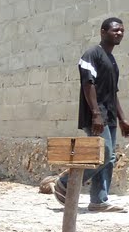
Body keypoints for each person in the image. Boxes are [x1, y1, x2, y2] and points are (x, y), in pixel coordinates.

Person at [53, 18, 129, 213]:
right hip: (96, 116)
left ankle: (99, 201)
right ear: (103, 32)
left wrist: (122, 119)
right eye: (115, 30)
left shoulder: (111, 60)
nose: (119, 33)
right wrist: (96, 114)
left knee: (109, 158)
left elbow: (113, 93)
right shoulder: (92, 54)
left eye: (122, 30)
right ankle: (64, 182)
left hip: (109, 116)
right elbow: (88, 84)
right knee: (101, 155)